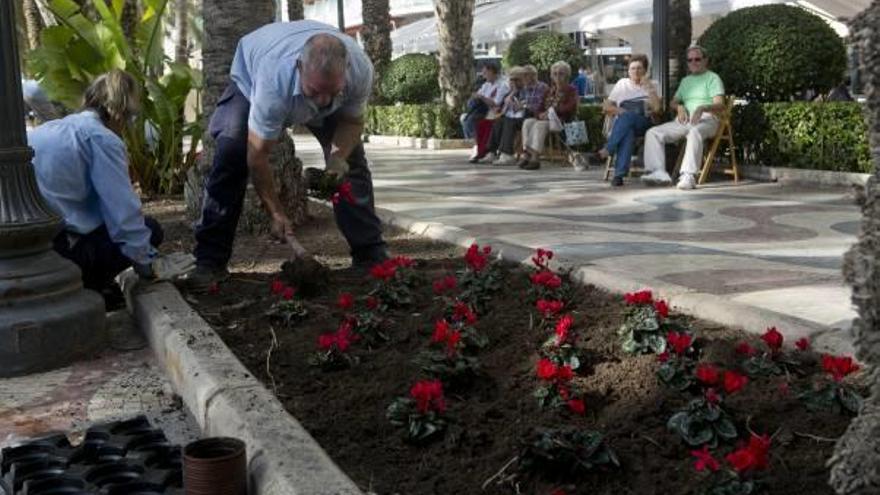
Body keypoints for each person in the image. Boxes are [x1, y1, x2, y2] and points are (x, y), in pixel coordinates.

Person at [187, 20, 387, 289]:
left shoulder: (360, 69)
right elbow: (258, 156)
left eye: (333, 92)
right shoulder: (273, 79)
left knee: (352, 164)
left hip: (302, 76)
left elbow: (351, 123)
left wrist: (337, 159)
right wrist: (276, 212)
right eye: (315, 92)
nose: (323, 103)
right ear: (299, 67)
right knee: (231, 153)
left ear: (347, 70)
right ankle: (209, 262)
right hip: (251, 74)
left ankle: (370, 254)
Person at [28, 70, 193, 308]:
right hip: (63, 255)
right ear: (119, 113)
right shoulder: (101, 138)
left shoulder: (46, 130)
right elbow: (122, 212)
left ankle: (96, 285)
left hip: (27, 253)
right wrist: (148, 265)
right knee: (151, 229)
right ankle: (89, 286)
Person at [642, 45, 725, 190]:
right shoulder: (686, 81)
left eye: (697, 59)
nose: (693, 62)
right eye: (690, 60)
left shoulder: (713, 78)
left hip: (708, 119)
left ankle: (688, 176)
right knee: (653, 132)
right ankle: (658, 172)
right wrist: (679, 107)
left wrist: (702, 108)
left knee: (694, 132)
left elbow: (720, 105)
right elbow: (673, 102)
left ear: (705, 60)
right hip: (686, 120)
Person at [587, 54, 660, 186]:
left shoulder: (653, 84)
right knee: (627, 131)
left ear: (645, 70)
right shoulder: (622, 84)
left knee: (626, 120)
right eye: (632, 68)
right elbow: (606, 106)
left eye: (639, 68)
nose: (635, 71)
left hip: (644, 123)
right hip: (625, 125)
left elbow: (657, 109)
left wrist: (649, 88)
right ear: (628, 71)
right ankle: (618, 176)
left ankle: (608, 149)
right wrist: (621, 111)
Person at [518, 61, 578, 170]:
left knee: (540, 125)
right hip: (546, 120)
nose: (557, 76)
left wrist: (551, 112)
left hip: (561, 121)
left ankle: (535, 157)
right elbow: (539, 108)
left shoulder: (571, 90)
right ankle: (527, 153)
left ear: (567, 75)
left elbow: (570, 107)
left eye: (561, 74)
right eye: (555, 74)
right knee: (528, 122)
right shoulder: (549, 90)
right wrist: (540, 114)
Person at [476, 66, 527, 165]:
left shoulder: (525, 91)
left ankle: (507, 154)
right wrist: (511, 94)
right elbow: (502, 108)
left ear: (523, 79)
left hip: (522, 117)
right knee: (498, 121)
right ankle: (491, 152)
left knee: (508, 121)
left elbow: (522, 108)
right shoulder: (510, 92)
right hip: (510, 117)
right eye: (512, 80)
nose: (514, 82)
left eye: (517, 79)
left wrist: (515, 98)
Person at [461, 63, 507, 160]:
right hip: (482, 109)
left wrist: (482, 97)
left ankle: (481, 148)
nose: (484, 75)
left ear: (492, 72)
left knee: (473, 120)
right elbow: (478, 96)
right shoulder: (486, 85)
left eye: (485, 72)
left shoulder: (502, 85)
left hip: (492, 111)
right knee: (464, 118)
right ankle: (477, 144)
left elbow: (496, 103)